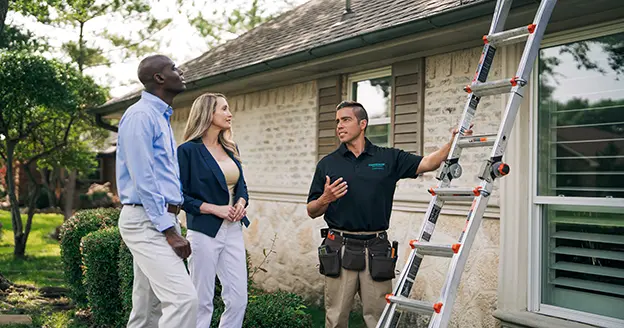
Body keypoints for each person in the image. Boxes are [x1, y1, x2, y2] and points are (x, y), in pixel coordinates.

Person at [306, 100, 473, 328]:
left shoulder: (387, 158)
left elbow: (427, 163)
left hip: (376, 250)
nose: (339, 126)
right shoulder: (327, 164)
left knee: (379, 319)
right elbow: (312, 210)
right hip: (340, 248)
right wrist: (325, 198)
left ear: (362, 123)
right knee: (335, 319)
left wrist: (451, 144)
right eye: (337, 121)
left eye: (346, 120)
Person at [116, 54, 198, 328]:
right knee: (183, 300)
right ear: (159, 78)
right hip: (148, 222)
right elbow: (144, 179)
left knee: (147, 311)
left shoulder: (159, 116)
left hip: (159, 219)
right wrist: (169, 231)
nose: (181, 71)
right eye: (174, 68)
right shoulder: (141, 116)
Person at [177, 92, 250, 328]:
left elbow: (241, 186)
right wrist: (214, 209)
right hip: (204, 232)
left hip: (233, 230)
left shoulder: (230, 146)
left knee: (239, 298)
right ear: (209, 113)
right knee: (202, 301)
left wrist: (240, 203)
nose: (230, 114)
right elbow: (179, 196)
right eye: (224, 109)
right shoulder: (187, 151)